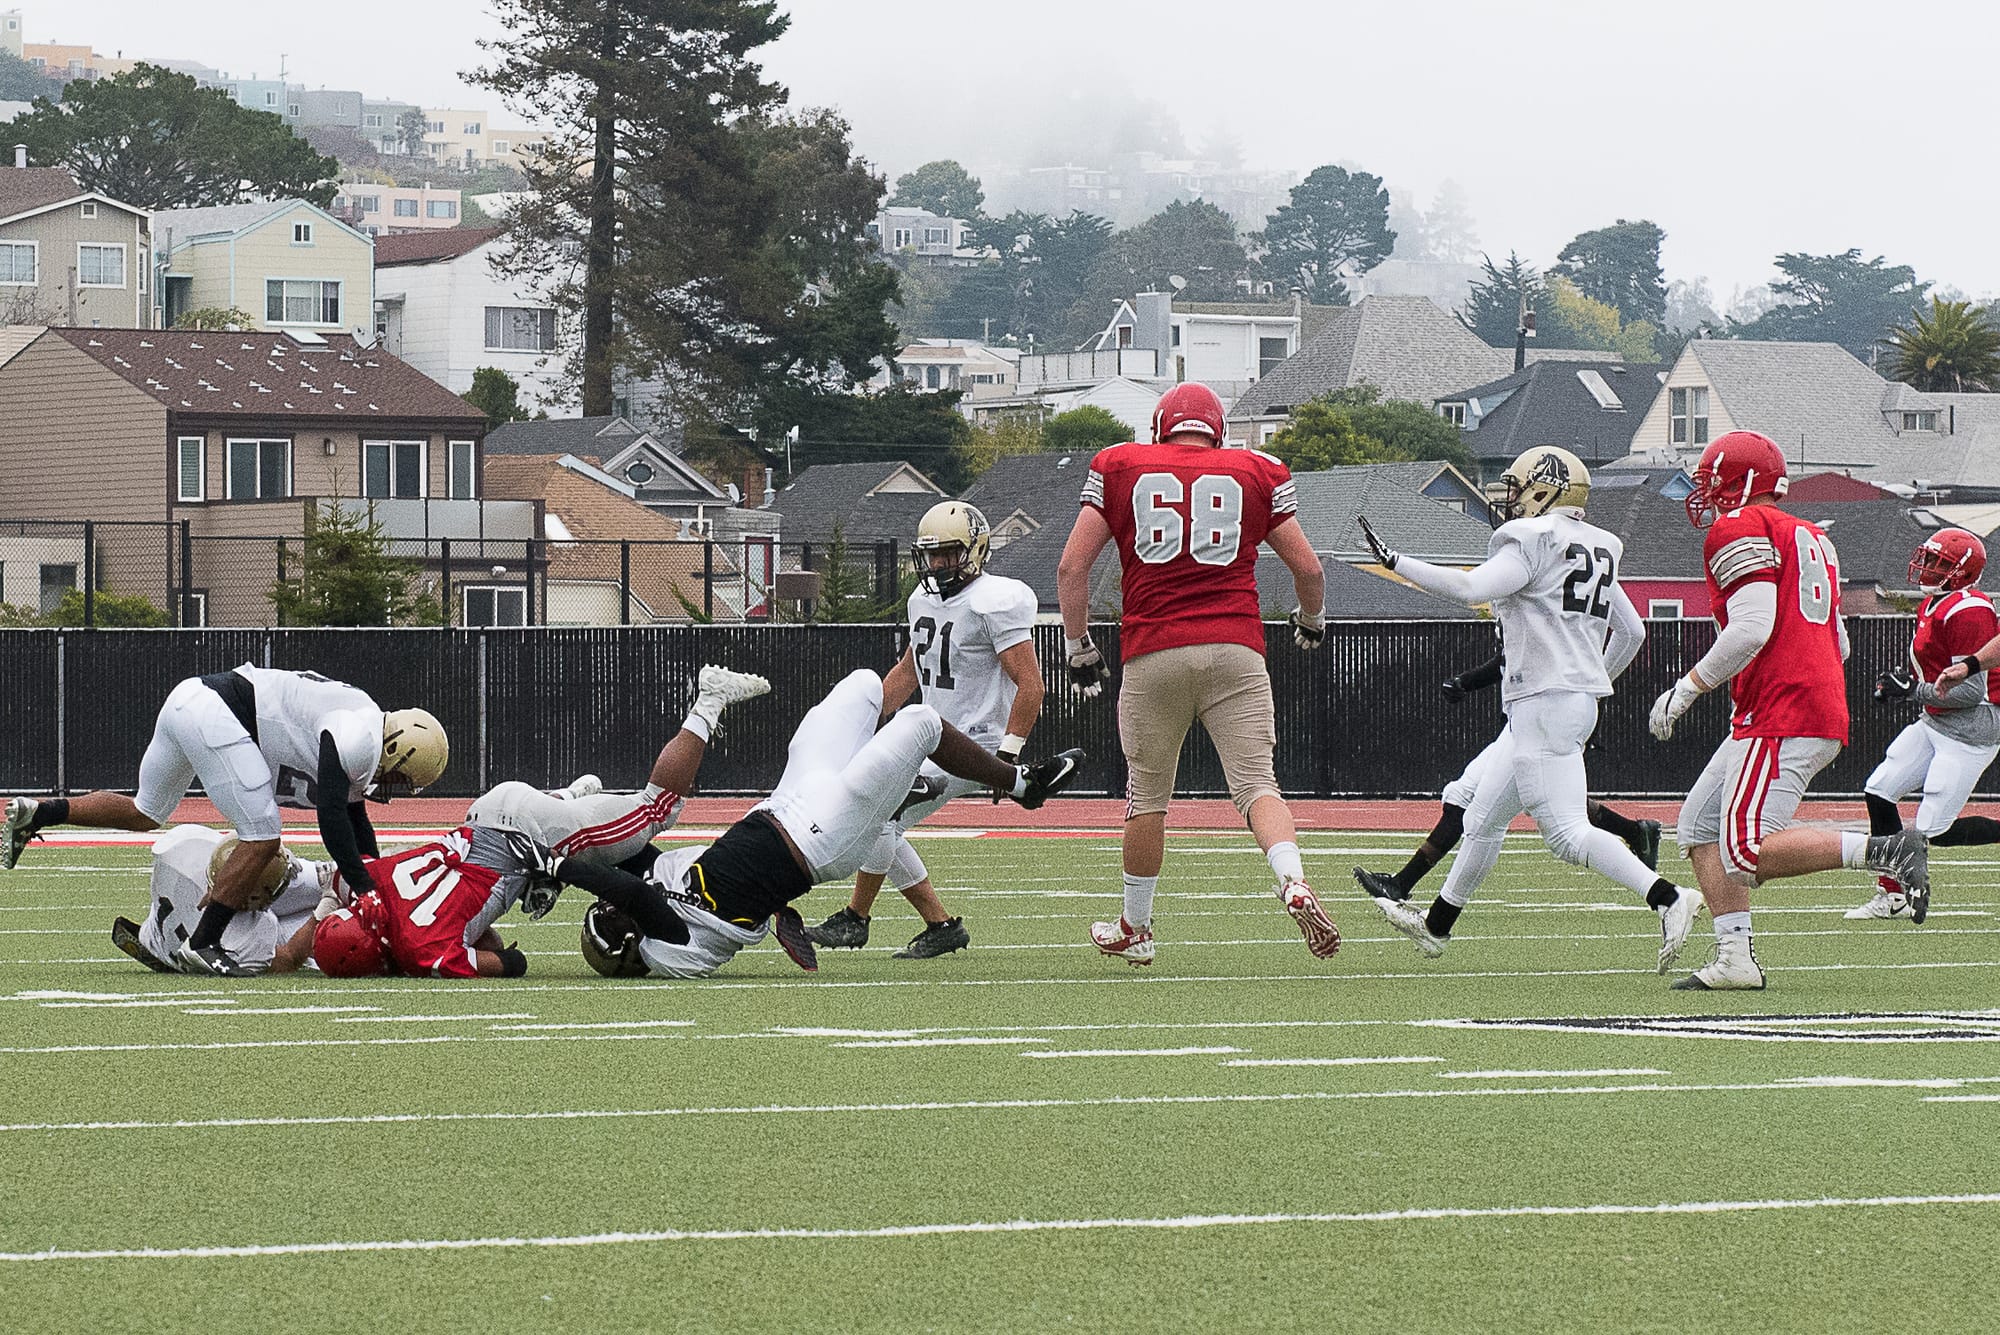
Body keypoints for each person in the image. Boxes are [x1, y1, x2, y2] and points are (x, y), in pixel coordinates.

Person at [1358, 446, 1702, 969]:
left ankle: (1670, 897)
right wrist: (1589, 680)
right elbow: (1631, 632)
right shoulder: (1596, 546)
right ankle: (1436, 927)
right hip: (1558, 704)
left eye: (1518, 488)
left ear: (1547, 488)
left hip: (1544, 703)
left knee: (1567, 835)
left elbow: (1470, 586)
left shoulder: (1534, 541)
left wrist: (1397, 562)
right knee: (1481, 818)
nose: (1511, 500)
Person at [1053, 382, 1339, 967]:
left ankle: (1136, 926)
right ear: (1218, 432)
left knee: (1148, 798)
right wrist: (1310, 621)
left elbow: (1070, 567)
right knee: (1259, 784)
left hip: (1154, 649)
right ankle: (1292, 881)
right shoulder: (1258, 470)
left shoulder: (1120, 464)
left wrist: (1079, 645)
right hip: (1237, 648)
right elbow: (1308, 568)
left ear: (1159, 427)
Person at [580, 668, 1083, 980]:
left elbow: (627, 854)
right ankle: (1024, 786)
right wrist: (557, 867)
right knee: (922, 723)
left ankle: (885, 783)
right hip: (819, 841)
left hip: (786, 801)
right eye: (611, 916)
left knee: (864, 686)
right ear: (626, 949)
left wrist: (563, 828)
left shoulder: (653, 904)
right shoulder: (669, 953)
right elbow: (634, 896)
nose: (613, 903)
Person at [1648, 429, 1927, 989]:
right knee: (1701, 828)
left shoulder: (1741, 526)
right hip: (1802, 700)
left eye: (1711, 476)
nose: (1706, 490)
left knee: (1747, 850)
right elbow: (1841, 643)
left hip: (1779, 709)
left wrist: (1688, 686)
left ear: (1739, 479)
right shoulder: (1812, 537)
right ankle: (1735, 959)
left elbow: (1752, 627)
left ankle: (1886, 848)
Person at [2, 664, 447, 976]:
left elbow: (353, 818)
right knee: (264, 838)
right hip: (219, 712)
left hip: (191, 699)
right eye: (404, 779)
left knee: (145, 812)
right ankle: (204, 942)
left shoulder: (364, 724)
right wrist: (365, 888)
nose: (396, 789)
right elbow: (332, 815)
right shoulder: (360, 737)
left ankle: (40, 812)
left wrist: (369, 872)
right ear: (397, 751)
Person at [807, 501, 1044, 959]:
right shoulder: (923, 599)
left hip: (977, 742)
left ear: (974, 550)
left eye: (948, 553)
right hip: (929, 738)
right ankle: (940, 925)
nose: (938, 564)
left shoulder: (996, 599)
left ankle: (857, 918)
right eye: (932, 554)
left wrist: (1007, 758)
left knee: (881, 816)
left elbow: (1030, 684)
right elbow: (909, 671)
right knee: (879, 817)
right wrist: (867, 721)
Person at [1352, 643, 1661, 906]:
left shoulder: (1535, 590)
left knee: (1475, 800)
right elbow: (1509, 658)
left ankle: (1407, 890)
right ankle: (1636, 833)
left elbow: (1627, 634)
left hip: (1535, 725)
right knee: (1547, 805)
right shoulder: (1538, 596)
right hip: (1531, 723)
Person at [1847, 529, 2000, 920]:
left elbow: (1969, 693)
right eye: (1928, 559)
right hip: (1935, 721)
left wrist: (1912, 691)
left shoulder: (1970, 610)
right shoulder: (1936, 603)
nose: (1928, 568)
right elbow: (1935, 675)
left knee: (1935, 831)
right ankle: (1892, 892)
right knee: (1879, 791)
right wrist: (1902, 685)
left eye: (1939, 563)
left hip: (1970, 730)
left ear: (1963, 572)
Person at [109, 827, 331, 975]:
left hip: (168, 925)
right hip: (236, 930)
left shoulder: (185, 847)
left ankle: (158, 941)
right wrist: (324, 910)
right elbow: (289, 958)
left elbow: (236, 845)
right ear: (248, 902)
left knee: (333, 879)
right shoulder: (254, 934)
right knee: (333, 928)